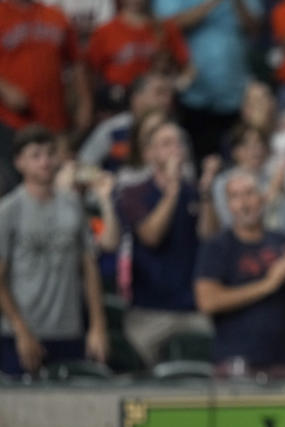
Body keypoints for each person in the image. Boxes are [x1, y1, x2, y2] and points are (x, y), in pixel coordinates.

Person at [0, 125, 108, 376]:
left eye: (50, 154)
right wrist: (20, 330)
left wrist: (97, 325)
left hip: (68, 327)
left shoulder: (73, 205)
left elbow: (89, 267)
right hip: (22, 330)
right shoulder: (8, 211)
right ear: (19, 162)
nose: (45, 161)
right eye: (35, 155)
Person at [194, 170, 285, 378]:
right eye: (235, 196)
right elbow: (207, 301)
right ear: (228, 205)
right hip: (235, 361)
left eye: (250, 193)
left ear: (263, 197)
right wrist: (268, 284)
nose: (244, 203)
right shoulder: (217, 247)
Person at [115, 119, 220, 365]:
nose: (175, 149)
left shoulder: (194, 191)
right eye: (166, 143)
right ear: (150, 153)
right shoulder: (134, 192)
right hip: (149, 311)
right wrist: (172, 190)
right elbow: (151, 236)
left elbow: (211, 237)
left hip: (193, 308)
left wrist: (206, 192)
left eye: (179, 143)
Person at [0, 0, 93, 195]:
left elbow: (76, 63)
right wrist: (4, 88)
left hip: (53, 122)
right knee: (14, 191)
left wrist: (85, 103)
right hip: (11, 123)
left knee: (59, 189)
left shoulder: (55, 15)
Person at [154, 0, 263, 160]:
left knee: (237, 157)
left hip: (235, 92)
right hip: (193, 94)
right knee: (192, 158)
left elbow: (255, 27)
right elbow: (166, 25)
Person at [85, 0, 191, 112]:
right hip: (117, 104)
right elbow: (91, 74)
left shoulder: (165, 28)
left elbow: (188, 68)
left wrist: (175, 87)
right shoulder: (104, 31)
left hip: (157, 106)